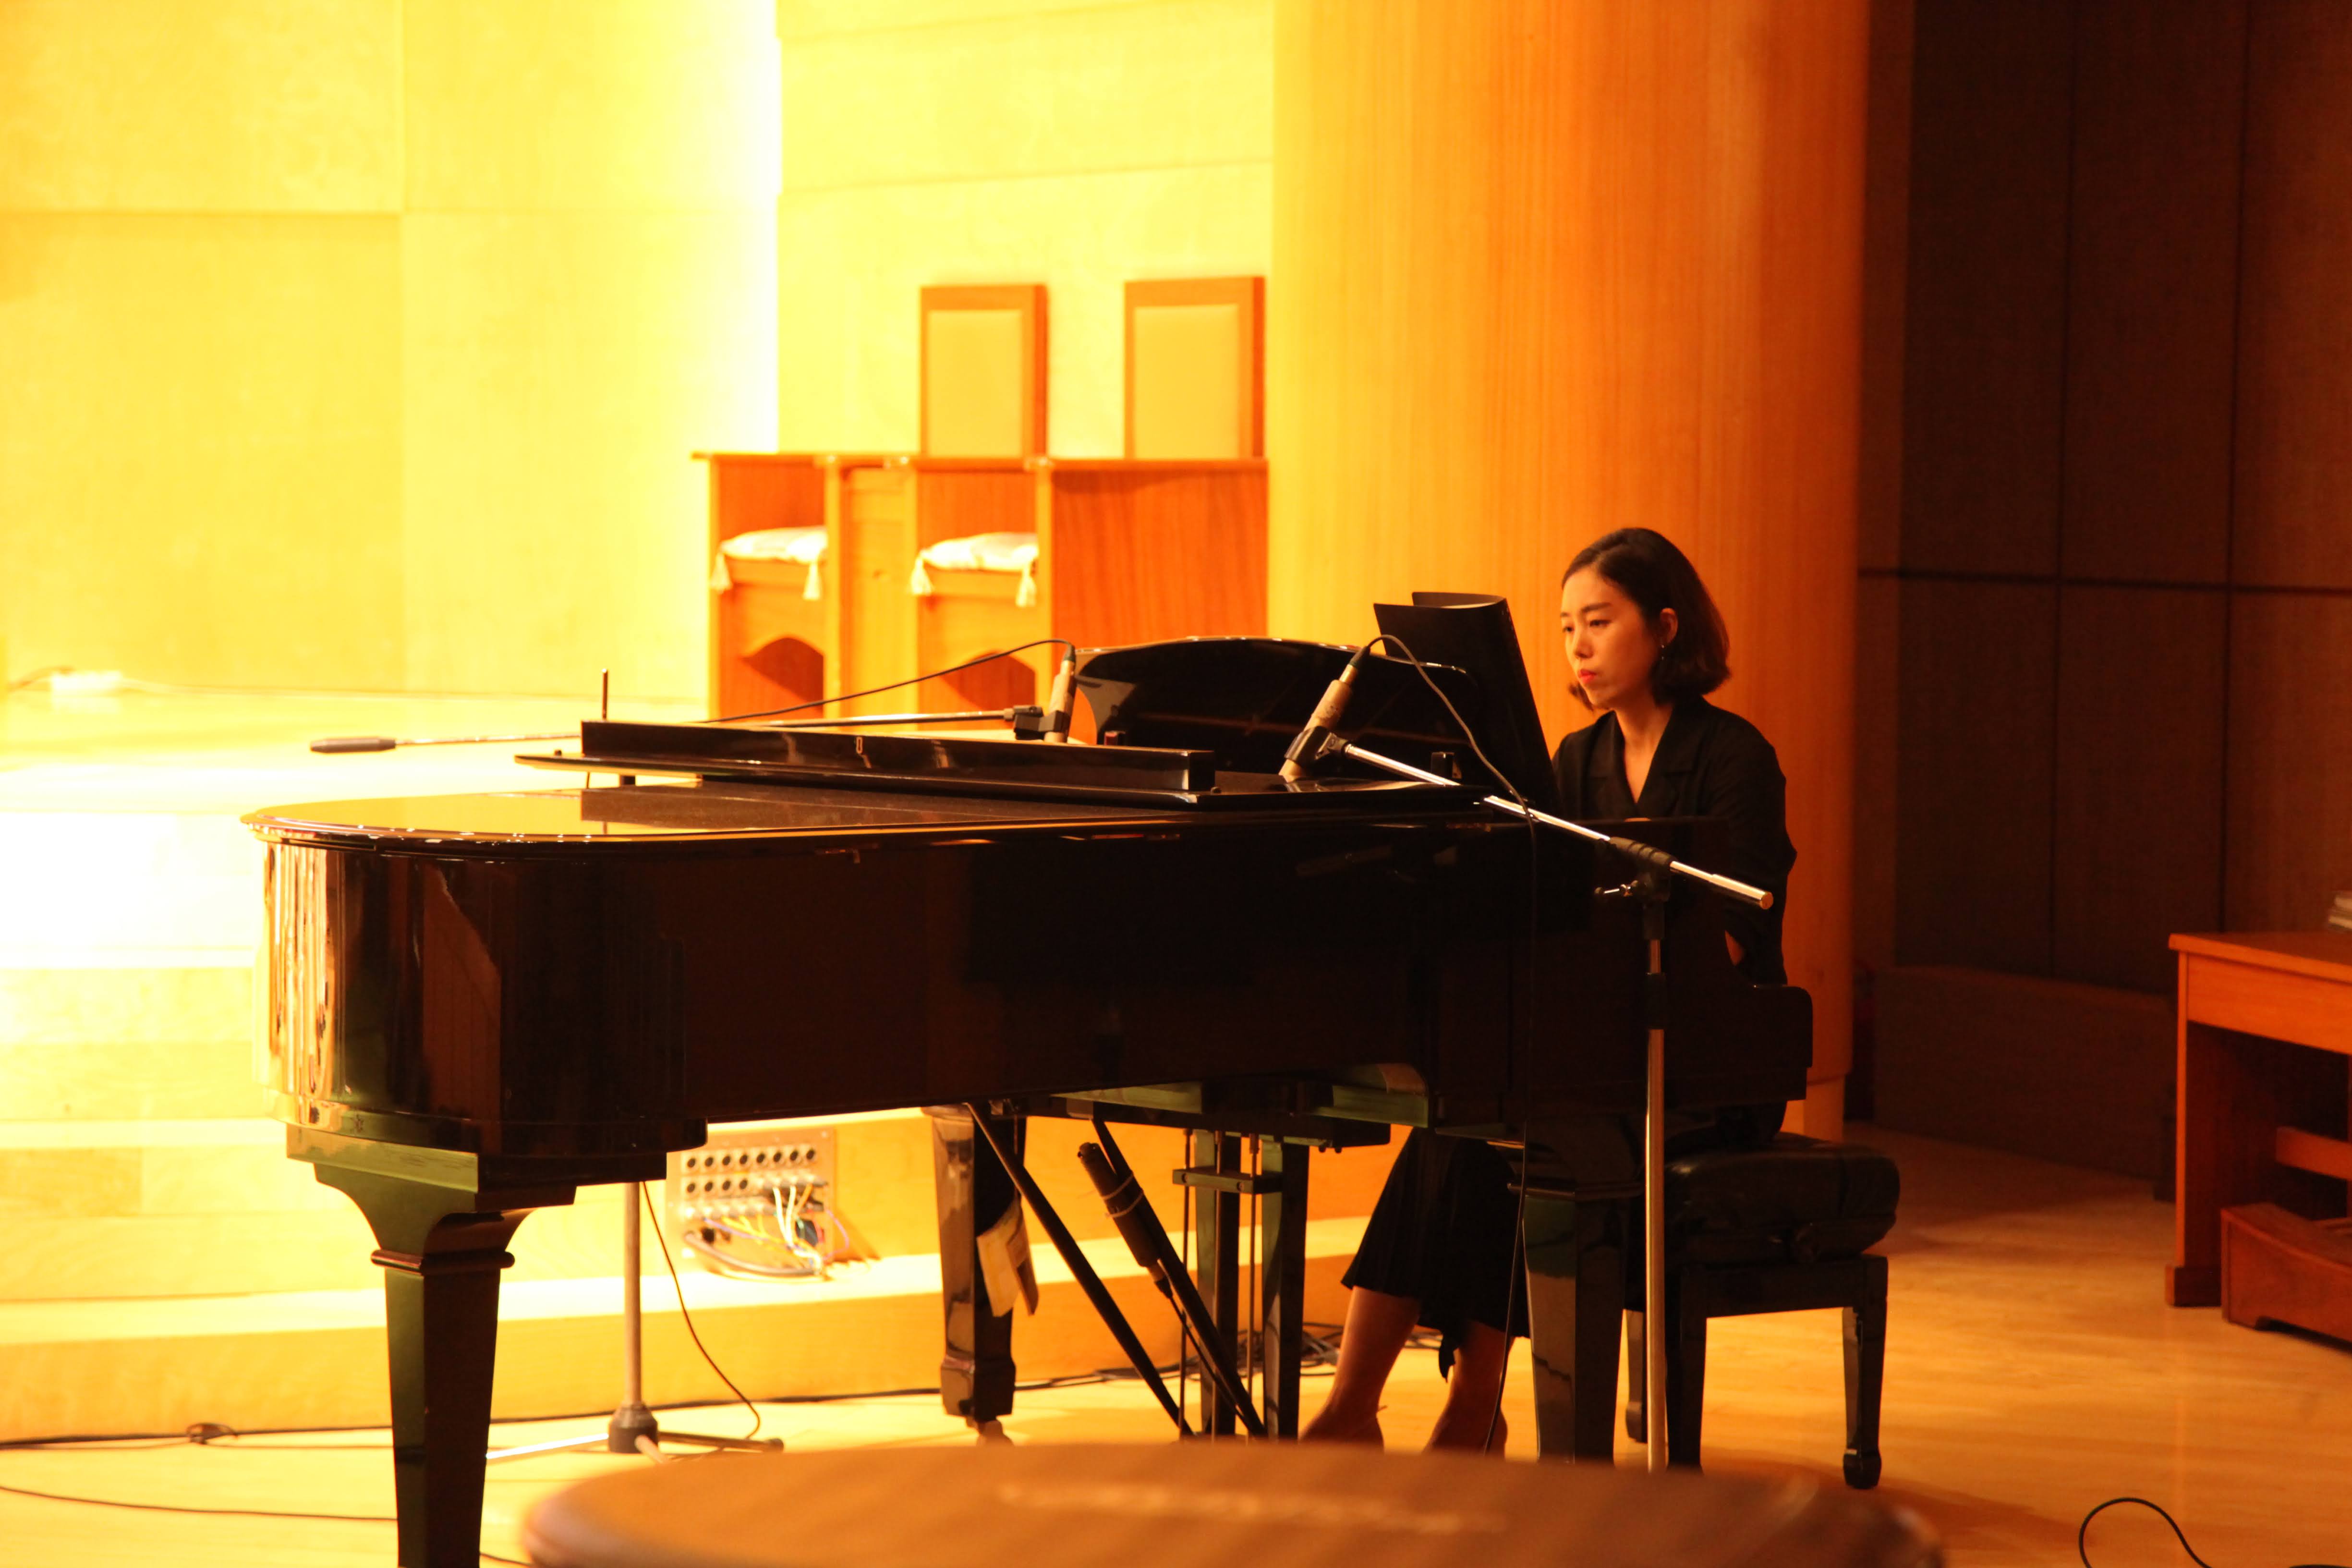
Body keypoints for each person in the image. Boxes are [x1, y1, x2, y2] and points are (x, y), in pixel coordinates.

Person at [1300, 527, 1796, 1451]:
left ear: (1664, 627)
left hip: (1705, 1062)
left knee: (1508, 1133)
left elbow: (1734, 932)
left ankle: (1445, 1410)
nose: (1578, 646)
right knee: (1463, 1125)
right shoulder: (1573, 760)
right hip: (1594, 1050)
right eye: (1566, 627)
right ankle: (1370, 1408)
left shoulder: (1732, 757)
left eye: (1598, 622)